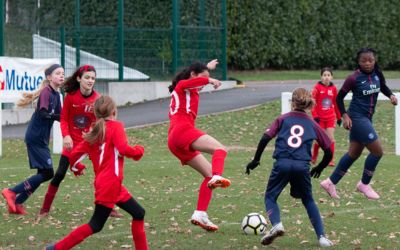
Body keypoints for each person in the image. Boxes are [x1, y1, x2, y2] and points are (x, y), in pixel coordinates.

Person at [45, 95, 148, 250]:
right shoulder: (116, 126)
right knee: (96, 224)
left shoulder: (94, 131)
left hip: (108, 184)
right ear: (114, 111)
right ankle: (56, 248)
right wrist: (139, 151)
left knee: (139, 213)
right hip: (111, 184)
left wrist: (76, 167)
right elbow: (123, 149)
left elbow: (73, 154)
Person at [246, 88, 334, 247]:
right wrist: (319, 167)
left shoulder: (282, 119)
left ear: (292, 102)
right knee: (308, 200)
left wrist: (256, 160)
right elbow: (329, 150)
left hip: (282, 163)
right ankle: (322, 237)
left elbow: (265, 138)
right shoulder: (312, 123)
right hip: (302, 166)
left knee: (270, 197)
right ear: (308, 104)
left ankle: (277, 224)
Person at [39, 65, 122, 217]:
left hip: (91, 142)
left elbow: (101, 122)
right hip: (72, 144)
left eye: (93, 78)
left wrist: (95, 133)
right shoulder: (71, 97)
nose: (91, 81)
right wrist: (66, 136)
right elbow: (63, 119)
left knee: (103, 176)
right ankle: (44, 209)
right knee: (59, 175)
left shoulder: (97, 99)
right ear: (79, 79)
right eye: (87, 78)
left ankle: (109, 208)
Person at [320, 48, 398, 200]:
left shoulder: (377, 73)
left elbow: (382, 86)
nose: (368, 63)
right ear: (359, 62)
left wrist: (391, 95)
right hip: (357, 118)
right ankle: (364, 184)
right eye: (364, 61)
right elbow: (339, 98)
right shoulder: (353, 78)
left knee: (354, 153)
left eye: (371, 60)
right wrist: (344, 116)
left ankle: (330, 182)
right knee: (377, 152)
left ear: (374, 61)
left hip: (367, 118)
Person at [167, 60, 231, 231]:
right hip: (182, 131)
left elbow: (195, 77)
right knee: (220, 149)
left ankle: (200, 214)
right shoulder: (182, 85)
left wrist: (207, 70)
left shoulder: (191, 89)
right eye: (202, 78)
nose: (205, 81)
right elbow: (190, 81)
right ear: (194, 75)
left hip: (174, 139)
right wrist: (209, 79)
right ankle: (218, 176)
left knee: (208, 175)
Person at [2, 64, 64, 215]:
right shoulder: (46, 92)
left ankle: (16, 203)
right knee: (48, 173)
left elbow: (60, 117)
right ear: (49, 77)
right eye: (58, 73)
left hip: (41, 138)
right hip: (35, 137)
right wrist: (60, 117)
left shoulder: (56, 95)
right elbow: (43, 114)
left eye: (63, 73)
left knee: (42, 173)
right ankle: (11, 191)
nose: (61, 76)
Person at [311, 67, 341, 166]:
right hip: (319, 118)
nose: (326, 77)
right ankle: (314, 157)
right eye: (324, 75)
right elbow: (312, 103)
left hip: (330, 118)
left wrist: (339, 117)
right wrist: (315, 116)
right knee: (319, 140)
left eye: (328, 75)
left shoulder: (334, 88)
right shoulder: (317, 88)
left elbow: (336, 104)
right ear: (321, 77)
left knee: (331, 139)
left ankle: (330, 159)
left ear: (331, 77)